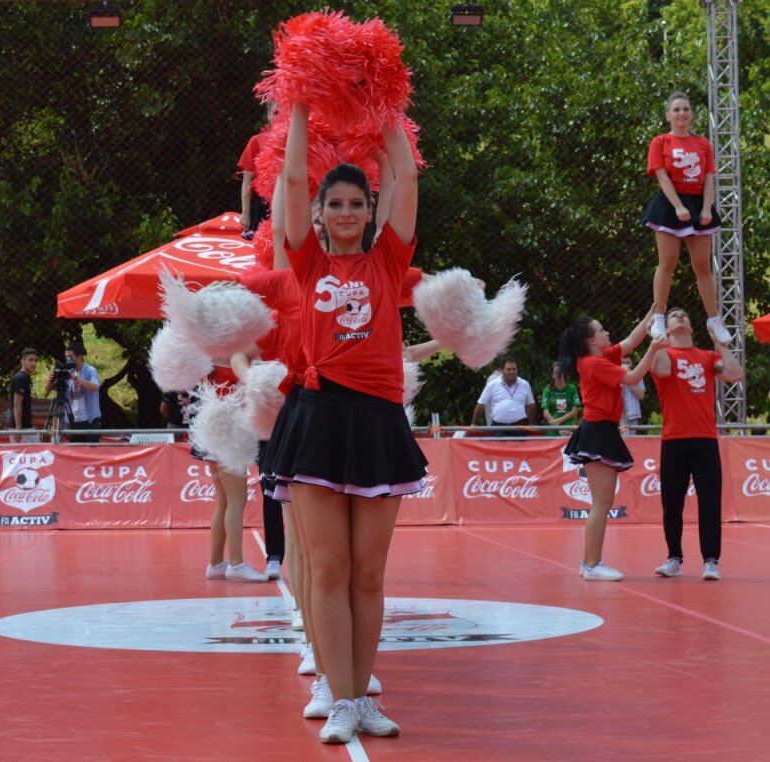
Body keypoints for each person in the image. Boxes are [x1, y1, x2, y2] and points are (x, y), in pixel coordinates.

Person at [271, 99, 424, 743]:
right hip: (317, 418)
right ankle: (337, 696)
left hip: (379, 422)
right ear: (320, 214)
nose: (344, 213)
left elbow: (407, 178)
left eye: (355, 203)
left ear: (370, 211)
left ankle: (362, 697)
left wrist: (385, 99)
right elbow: (292, 179)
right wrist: (301, 104)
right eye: (334, 204)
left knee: (368, 571)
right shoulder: (305, 262)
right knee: (328, 567)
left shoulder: (389, 260)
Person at [559, 313, 667, 582]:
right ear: (591, 340)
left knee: (602, 503)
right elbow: (631, 378)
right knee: (601, 503)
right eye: (602, 329)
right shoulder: (594, 362)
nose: (608, 333)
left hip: (601, 429)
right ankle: (592, 564)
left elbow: (631, 341)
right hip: (598, 430)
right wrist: (653, 350)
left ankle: (590, 562)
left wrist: (652, 315)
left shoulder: (600, 357)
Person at [651, 307, 743, 581]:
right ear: (666, 328)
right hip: (674, 439)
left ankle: (711, 560)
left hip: (705, 438)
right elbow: (665, 371)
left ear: (692, 327)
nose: (680, 317)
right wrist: (660, 340)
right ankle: (674, 558)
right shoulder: (663, 354)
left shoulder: (707, 357)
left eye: (684, 316)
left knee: (710, 501)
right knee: (672, 503)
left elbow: (735, 374)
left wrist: (721, 343)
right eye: (673, 316)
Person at [640, 91, 732, 345]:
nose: (681, 113)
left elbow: (709, 177)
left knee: (702, 266)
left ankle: (714, 319)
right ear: (668, 115)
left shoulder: (703, 143)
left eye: (685, 109)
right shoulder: (660, 142)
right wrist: (679, 207)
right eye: (676, 109)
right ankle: (659, 316)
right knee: (667, 262)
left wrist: (706, 209)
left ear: (691, 115)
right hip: (670, 205)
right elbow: (661, 176)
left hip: (698, 204)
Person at [197, 365, 269, 584]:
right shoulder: (231, 351)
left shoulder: (208, 351)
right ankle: (236, 563)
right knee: (237, 500)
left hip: (213, 424)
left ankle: (216, 563)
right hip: (231, 427)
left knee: (224, 501)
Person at [46, 342, 101, 442]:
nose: (68, 360)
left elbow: (95, 387)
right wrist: (51, 379)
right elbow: (48, 388)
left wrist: (76, 378)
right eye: (66, 357)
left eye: (70, 357)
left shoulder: (90, 370)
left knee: (92, 452)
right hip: (73, 420)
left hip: (89, 419)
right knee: (76, 451)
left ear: (79, 357)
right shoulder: (68, 371)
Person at [472, 356, 538, 435]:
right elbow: (481, 404)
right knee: (498, 447)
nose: (511, 372)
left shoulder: (524, 384)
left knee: (520, 447)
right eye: (508, 369)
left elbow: (531, 405)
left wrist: (531, 424)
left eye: (514, 369)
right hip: (499, 427)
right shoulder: (492, 384)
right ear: (502, 371)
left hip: (520, 427)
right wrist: (474, 424)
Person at [238, 102, 276, 239]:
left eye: (286, 113)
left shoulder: (299, 143)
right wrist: (245, 212)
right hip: (262, 206)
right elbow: (247, 180)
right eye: (276, 113)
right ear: (268, 115)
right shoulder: (256, 141)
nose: (281, 117)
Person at [541, 362, 581, 437]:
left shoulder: (572, 389)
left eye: (561, 373)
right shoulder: (548, 390)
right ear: (552, 375)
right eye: (556, 373)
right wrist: (558, 428)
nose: (559, 376)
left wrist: (558, 421)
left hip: (569, 429)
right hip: (553, 431)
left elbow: (574, 411)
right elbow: (545, 412)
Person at [10, 348, 38, 444]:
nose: (33, 363)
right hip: (21, 428)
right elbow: (17, 403)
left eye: (35, 360)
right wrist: (18, 428)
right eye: (30, 360)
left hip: (26, 426)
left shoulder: (26, 378)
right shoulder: (20, 378)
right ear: (23, 361)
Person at [619, 356, 647, 432]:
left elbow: (641, 395)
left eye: (627, 363)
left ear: (631, 364)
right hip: (619, 415)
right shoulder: (615, 376)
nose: (625, 365)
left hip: (632, 414)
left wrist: (629, 379)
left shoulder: (638, 376)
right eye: (623, 363)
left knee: (631, 439)